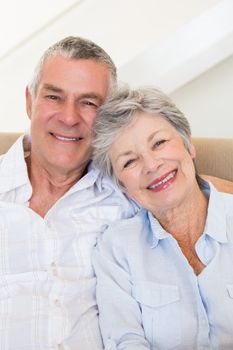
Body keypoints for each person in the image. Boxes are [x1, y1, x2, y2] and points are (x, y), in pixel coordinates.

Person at [0, 36, 138, 350]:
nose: (69, 117)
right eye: (54, 97)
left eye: (88, 102)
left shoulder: (128, 197)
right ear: (29, 101)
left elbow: (192, 194)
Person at [92, 86, 233, 349]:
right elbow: (126, 341)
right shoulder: (117, 248)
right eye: (129, 162)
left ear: (188, 145)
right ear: (123, 187)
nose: (151, 165)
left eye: (159, 143)